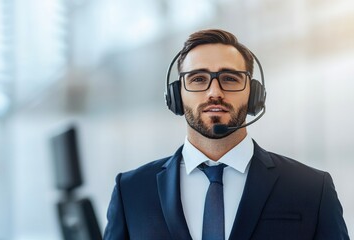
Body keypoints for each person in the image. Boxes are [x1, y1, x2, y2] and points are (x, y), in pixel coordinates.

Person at [103, 29, 349, 240]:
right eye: (198, 79)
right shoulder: (131, 190)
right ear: (177, 96)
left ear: (254, 95)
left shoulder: (312, 188)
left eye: (230, 78)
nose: (214, 92)